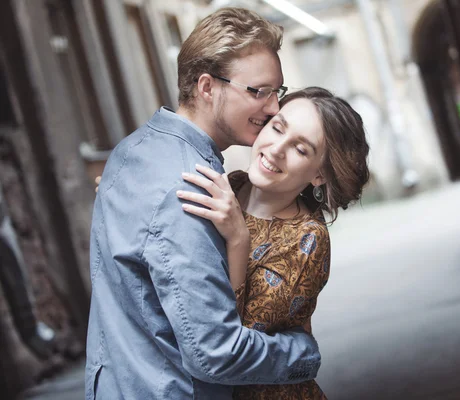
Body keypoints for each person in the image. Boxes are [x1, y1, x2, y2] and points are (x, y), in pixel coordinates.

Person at [86, 8, 323, 399]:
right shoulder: (189, 186)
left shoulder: (129, 153)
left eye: (276, 92)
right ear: (207, 87)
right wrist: (303, 353)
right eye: (257, 91)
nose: (273, 108)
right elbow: (214, 353)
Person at [176, 87, 370, 399]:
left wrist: (238, 239)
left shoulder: (307, 239)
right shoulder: (231, 184)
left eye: (301, 149)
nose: (277, 149)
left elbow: (232, 342)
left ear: (319, 175)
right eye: (277, 127)